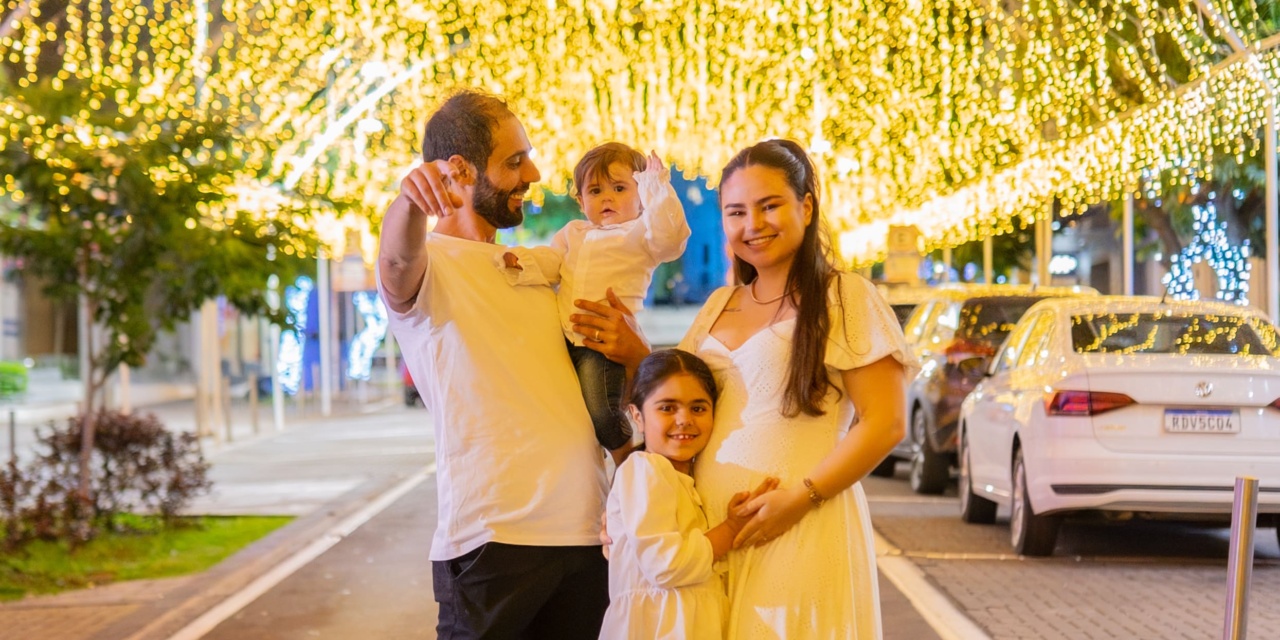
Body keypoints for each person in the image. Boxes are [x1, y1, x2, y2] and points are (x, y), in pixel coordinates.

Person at [376, 89, 645, 639]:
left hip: (587, 535)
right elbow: (397, 262)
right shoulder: (430, 268)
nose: (534, 173)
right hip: (492, 544)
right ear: (459, 170)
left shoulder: (539, 266)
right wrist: (407, 203)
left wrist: (635, 353)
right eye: (515, 161)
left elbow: (598, 382)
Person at [675, 139, 915, 638]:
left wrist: (802, 499)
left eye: (769, 206)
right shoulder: (718, 305)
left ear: (806, 206)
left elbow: (886, 422)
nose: (753, 224)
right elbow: (677, 411)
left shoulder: (843, 296)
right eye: (736, 212)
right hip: (712, 536)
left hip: (800, 528)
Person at [500, 143, 690, 458]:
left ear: (640, 194)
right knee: (567, 409)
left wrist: (657, 188)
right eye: (595, 191)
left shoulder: (642, 234)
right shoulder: (573, 232)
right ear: (580, 201)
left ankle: (628, 457)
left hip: (602, 345)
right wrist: (523, 262)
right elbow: (552, 262)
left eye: (619, 188)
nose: (607, 198)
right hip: (561, 338)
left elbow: (671, 238)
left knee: (603, 412)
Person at [599, 349, 776, 639]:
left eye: (698, 408)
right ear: (637, 415)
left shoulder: (690, 480)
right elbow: (665, 565)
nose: (684, 419)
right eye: (667, 408)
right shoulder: (644, 469)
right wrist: (731, 528)